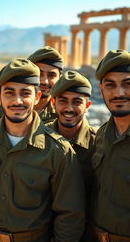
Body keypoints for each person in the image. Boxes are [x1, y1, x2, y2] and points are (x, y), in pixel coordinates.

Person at [0, 58, 85, 242]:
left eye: (25, 93)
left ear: (37, 97)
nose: (17, 101)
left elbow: (70, 215)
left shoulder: (58, 151)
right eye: (9, 93)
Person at [93, 49, 130, 241]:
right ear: (101, 90)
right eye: (110, 85)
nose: (118, 93)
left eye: (127, 84)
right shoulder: (101, 135)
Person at [47, 70, 97, 242]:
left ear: (87, 105)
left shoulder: (98, 145)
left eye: (76, 102)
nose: (69, 108)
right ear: (53, 103)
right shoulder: (38, 140)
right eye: (63, 101)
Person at [28, 46, 63, 123]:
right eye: (39, 74)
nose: (44, 81)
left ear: (59, 79)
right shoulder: (10, 108)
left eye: (51, 75)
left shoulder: (63, 114)